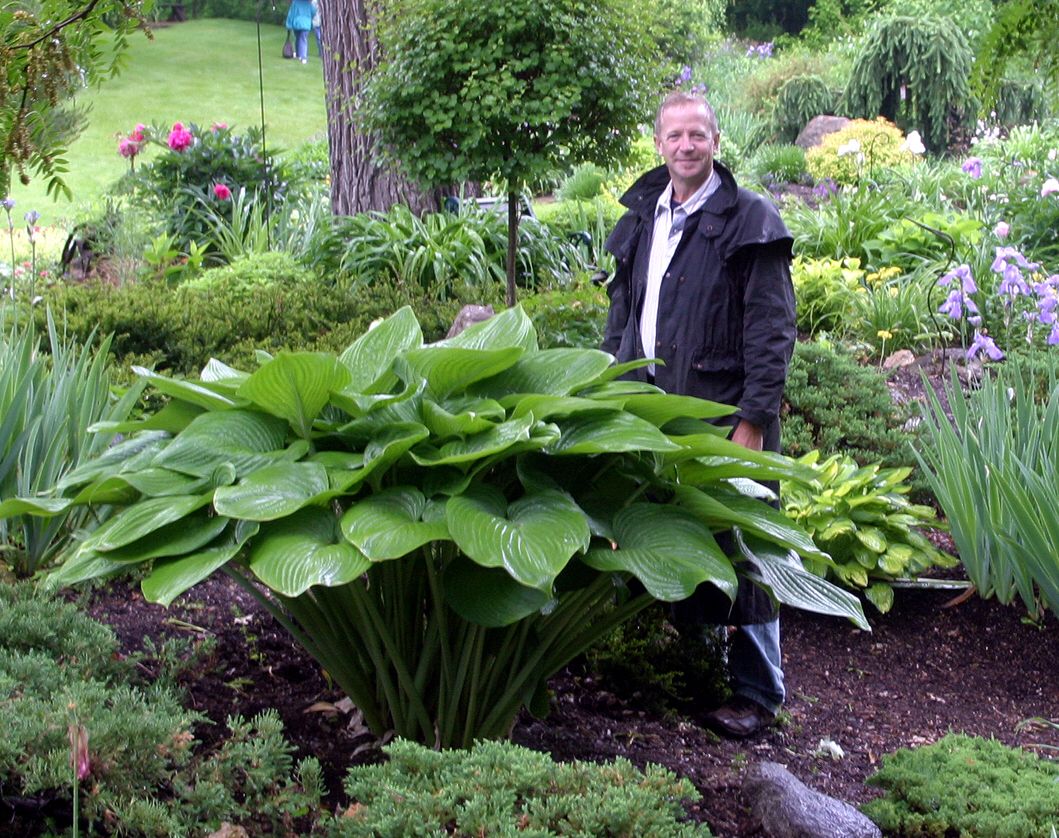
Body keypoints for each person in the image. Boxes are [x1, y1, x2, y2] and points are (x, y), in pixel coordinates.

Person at [601, 90, 796, 738]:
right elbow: (621, 317)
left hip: (722, 416)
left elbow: (771, 332)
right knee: (679, 540)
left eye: (697, 135)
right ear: (658, 142)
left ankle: (757, 693)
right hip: (653, 415)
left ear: (716, 142)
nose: (685, 146)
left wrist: (753, 420)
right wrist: (602, 393)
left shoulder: (749, 220)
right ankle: (699, 674)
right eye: (674, 135)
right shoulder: (642, 217)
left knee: (745, 548)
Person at [285, 0, 314, 64]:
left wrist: (289, 24)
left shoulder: (295, 2)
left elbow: (291, 14)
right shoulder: (308, 3)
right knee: (303, 39)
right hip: (306, 23)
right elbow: (313, 11)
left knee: (298, 38)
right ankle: (303, 57)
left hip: (297, 23)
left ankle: (299, 55)